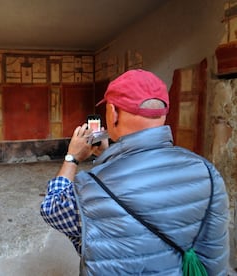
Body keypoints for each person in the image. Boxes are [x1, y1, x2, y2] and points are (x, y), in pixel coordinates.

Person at [40, 69, 230, 275]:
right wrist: (110, 156)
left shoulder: (89, 188)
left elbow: (53, 208)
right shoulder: (207, 172)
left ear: (113, 114)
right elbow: (214, 256)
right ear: (163, 113)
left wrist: (72, 157)